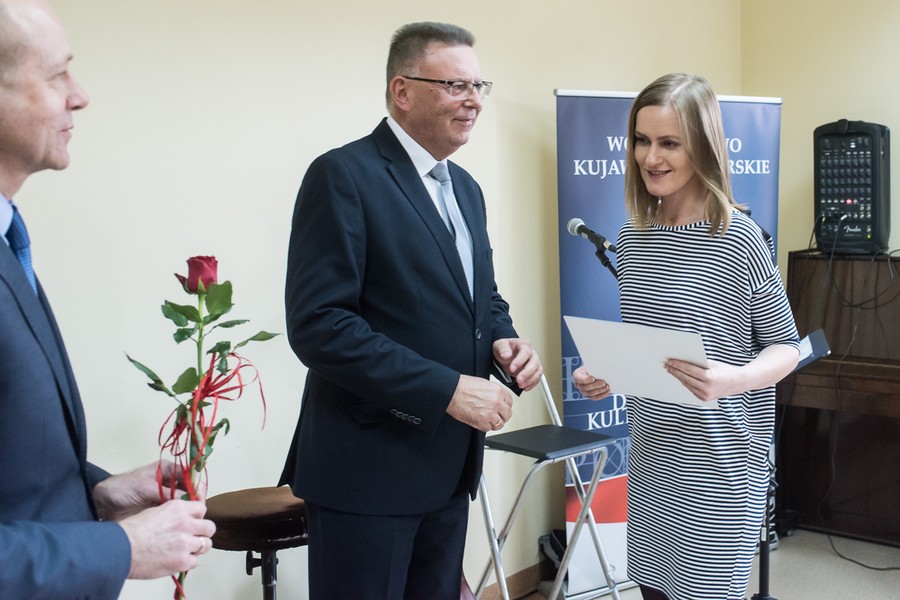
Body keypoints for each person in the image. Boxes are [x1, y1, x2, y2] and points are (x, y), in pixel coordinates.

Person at [279, 21, 543, 600]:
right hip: (367, 472)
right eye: (456, 86)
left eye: (479, 86)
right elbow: (319, 326)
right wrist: (448, 388)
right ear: (403, 90)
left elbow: (482, 299)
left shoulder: (466, 189)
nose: (474, 100)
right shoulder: (343, 176)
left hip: (448, 470)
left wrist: (505, 339)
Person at [0, 0, 216, 597]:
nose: (80, 95)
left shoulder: (8, 240)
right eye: (56, 75)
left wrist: (95, 492)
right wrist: (121, 547)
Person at [573, 73, 800, 600]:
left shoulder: (740, 238)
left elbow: (786, 347)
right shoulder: (633, 238)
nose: (651, 157)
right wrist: (602, 370)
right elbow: (649, 349)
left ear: (702, 146)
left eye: (669, 143)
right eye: (642, 140)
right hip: (655, 459)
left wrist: (733, 379)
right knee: (654, 591)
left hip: (721, 465)